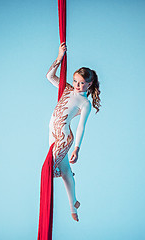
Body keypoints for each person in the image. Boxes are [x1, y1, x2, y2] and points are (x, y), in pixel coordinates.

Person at [46, 42, 101, 222]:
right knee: (65, 171)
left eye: (82, 83)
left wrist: (77, 148)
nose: (77, 85)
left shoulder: (85, 104)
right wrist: (60, 57)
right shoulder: (67, 89)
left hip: (63, 136)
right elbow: (49, 76)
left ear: (90, 84)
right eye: (76, 81)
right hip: (52, 133)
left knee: (53, 170)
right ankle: (74, 206)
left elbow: (81, 126)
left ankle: (72, 206)